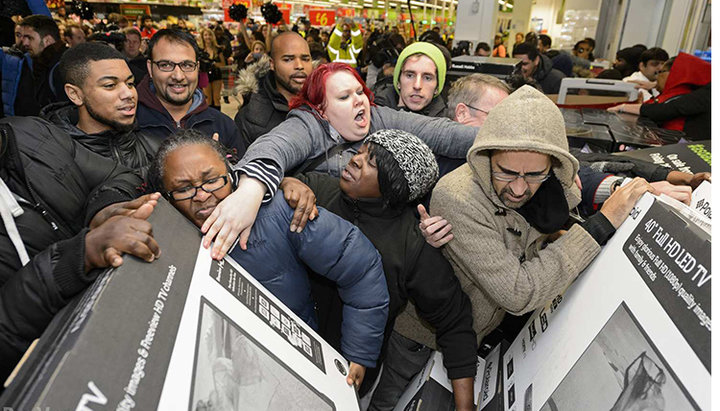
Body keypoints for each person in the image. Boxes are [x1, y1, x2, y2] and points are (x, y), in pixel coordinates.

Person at [410, 85, 654, 347]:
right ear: (487, 156)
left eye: (535, 175)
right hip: (424, 343)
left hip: (477, 336)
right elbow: (518, 293)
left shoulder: (551, 186)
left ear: (552, 165)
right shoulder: (457, 197)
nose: (518, 189)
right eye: (506, 172)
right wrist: (600, 225)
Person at [147, 129, 390, 388]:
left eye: (212, 180)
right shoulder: (159, 240)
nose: (203, 195)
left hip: (298, 365)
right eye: (184, 189)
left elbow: (361, 268)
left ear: (231, 172)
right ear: (166, 197)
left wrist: (359, 354)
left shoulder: (282, 212)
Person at [199, 62, 479, 260]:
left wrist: (500, 140)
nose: (359, 101)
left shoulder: (378, 117)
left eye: (360, 92)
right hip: (323, 252)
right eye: (344, 97)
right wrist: (250, 191)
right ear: (321, 108)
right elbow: (273, 147)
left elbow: (443, 134)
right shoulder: (308, 124)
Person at [283, 130, 477, 410]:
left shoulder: (412, 245)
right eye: (360, 152)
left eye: (372, 163)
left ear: (394, 187)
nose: (355, 161)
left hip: (346, 377)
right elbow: (265, 187)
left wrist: (465, 406)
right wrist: (286, 182)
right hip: (284, 344)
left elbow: (455, 320)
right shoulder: (317, 190)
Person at [0, 115, 160, 383]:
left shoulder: (30, 132)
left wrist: (103, 209)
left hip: (111, 323)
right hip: (43, 379)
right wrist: (76, 258)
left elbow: (118, 175)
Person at [41, 42, 162, 168]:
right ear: (75, 94)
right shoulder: (52, 159)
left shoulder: (155, 149)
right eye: (110, 85)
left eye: (130, 83)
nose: (128, 94)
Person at [135, 28, 245, 157]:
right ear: (150, 68)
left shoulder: (223, 126)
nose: (178, 75)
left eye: (187, 65)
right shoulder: (130, 124)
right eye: (165, 65)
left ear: (197, 68)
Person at [234, 31, 313, 147]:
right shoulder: (251, 117)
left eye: (305, 59)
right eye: (288, 59)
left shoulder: (327, 105)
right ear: (272, 64)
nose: (299, 66)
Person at [608, 53, 711, 140]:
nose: (657, 77)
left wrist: (624, 107)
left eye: (661, 72)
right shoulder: (685, 95)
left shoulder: (682, 98)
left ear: (675, 74)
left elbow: (666, 109)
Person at [373, 41, 447, 117]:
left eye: (427, 78)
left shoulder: (446, 124)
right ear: (398, 81)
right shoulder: (374, 113)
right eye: (410, 76)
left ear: (437, 87)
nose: (417, 85)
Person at [17, 14, 67, 113]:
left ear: (47, 40)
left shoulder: (61, 68)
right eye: (22, 37)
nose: (25, 43)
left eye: (29, 38)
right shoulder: (43, 63)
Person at [197, 27, 226, 111]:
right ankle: (209, 117)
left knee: (216, 98)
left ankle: (217, 117)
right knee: (208, 99)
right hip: (205, 75)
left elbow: (223, 64)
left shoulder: (218, 49)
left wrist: (213, 64)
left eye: (209, 35)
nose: (208, 37)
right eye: (205, 35)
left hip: (217, 74)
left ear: (213, 36)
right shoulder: (200, 50)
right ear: (202, 37)